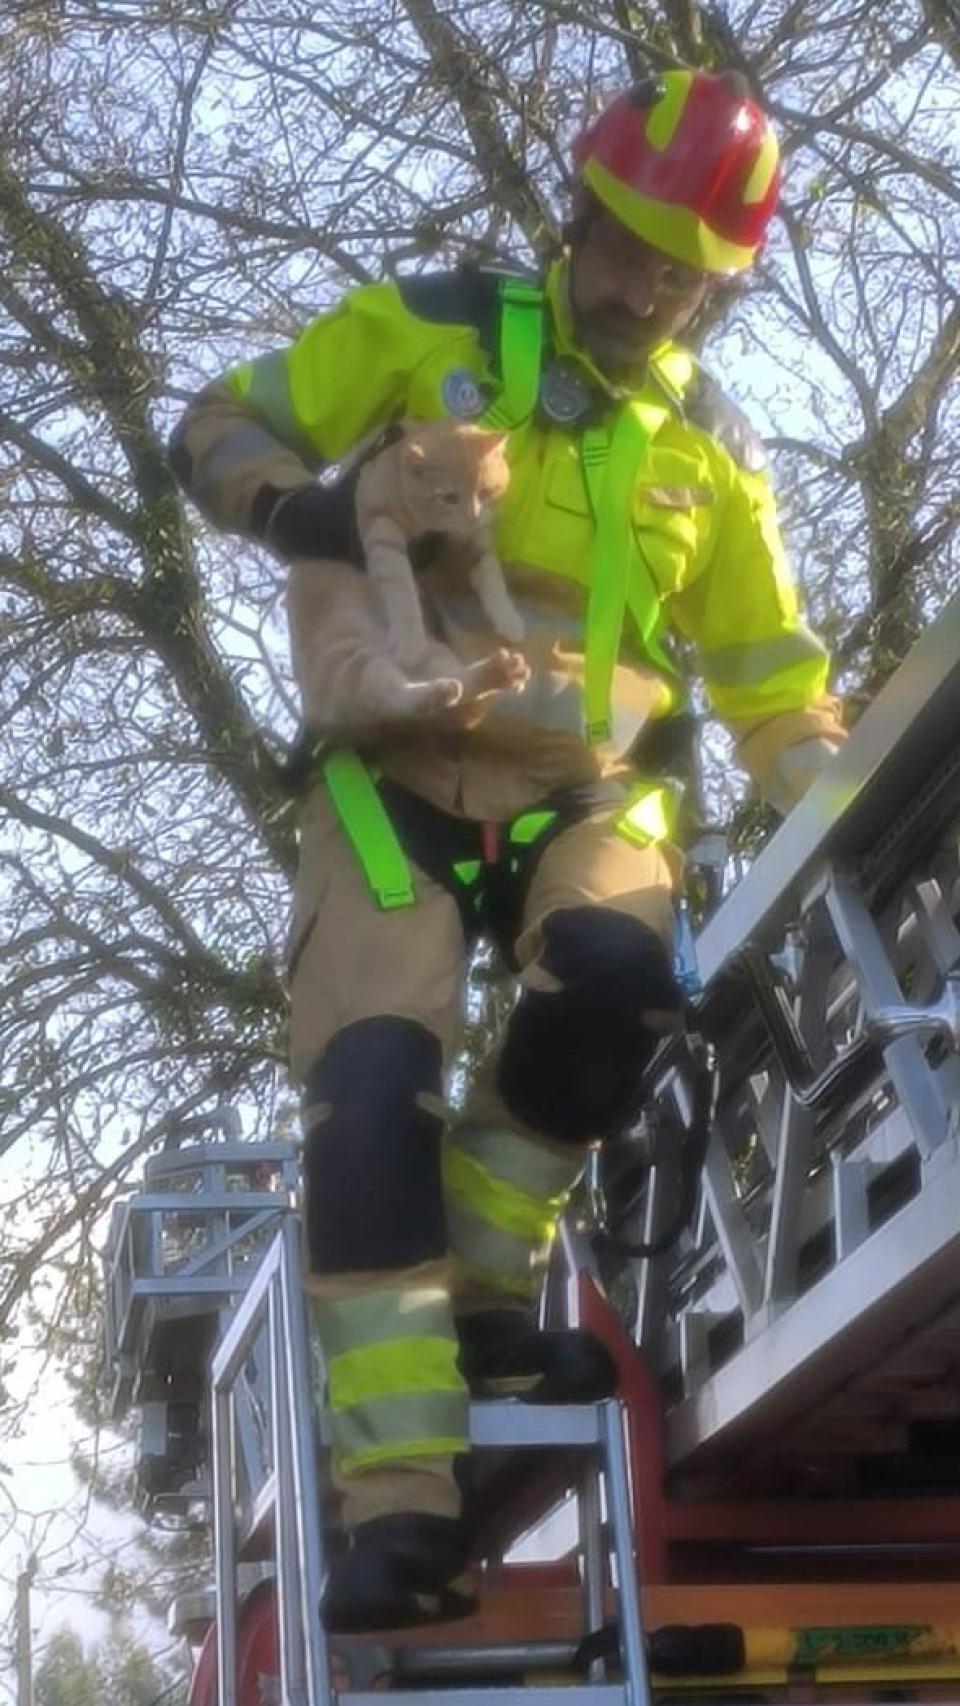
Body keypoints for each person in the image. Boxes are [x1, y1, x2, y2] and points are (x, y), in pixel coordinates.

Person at [169, 68, 844, 1630]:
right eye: (631, 252)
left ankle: (481, 1298)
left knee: (617, 973)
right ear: (577, 213)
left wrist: (848, 803)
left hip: (592, 791)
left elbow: (769, 679)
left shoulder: (714, 444)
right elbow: (217, 423)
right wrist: (299, 510)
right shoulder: (429, 329)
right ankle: (398, 1510)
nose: (648, 293)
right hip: (391, 776)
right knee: (367, 1092)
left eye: (687, 276)